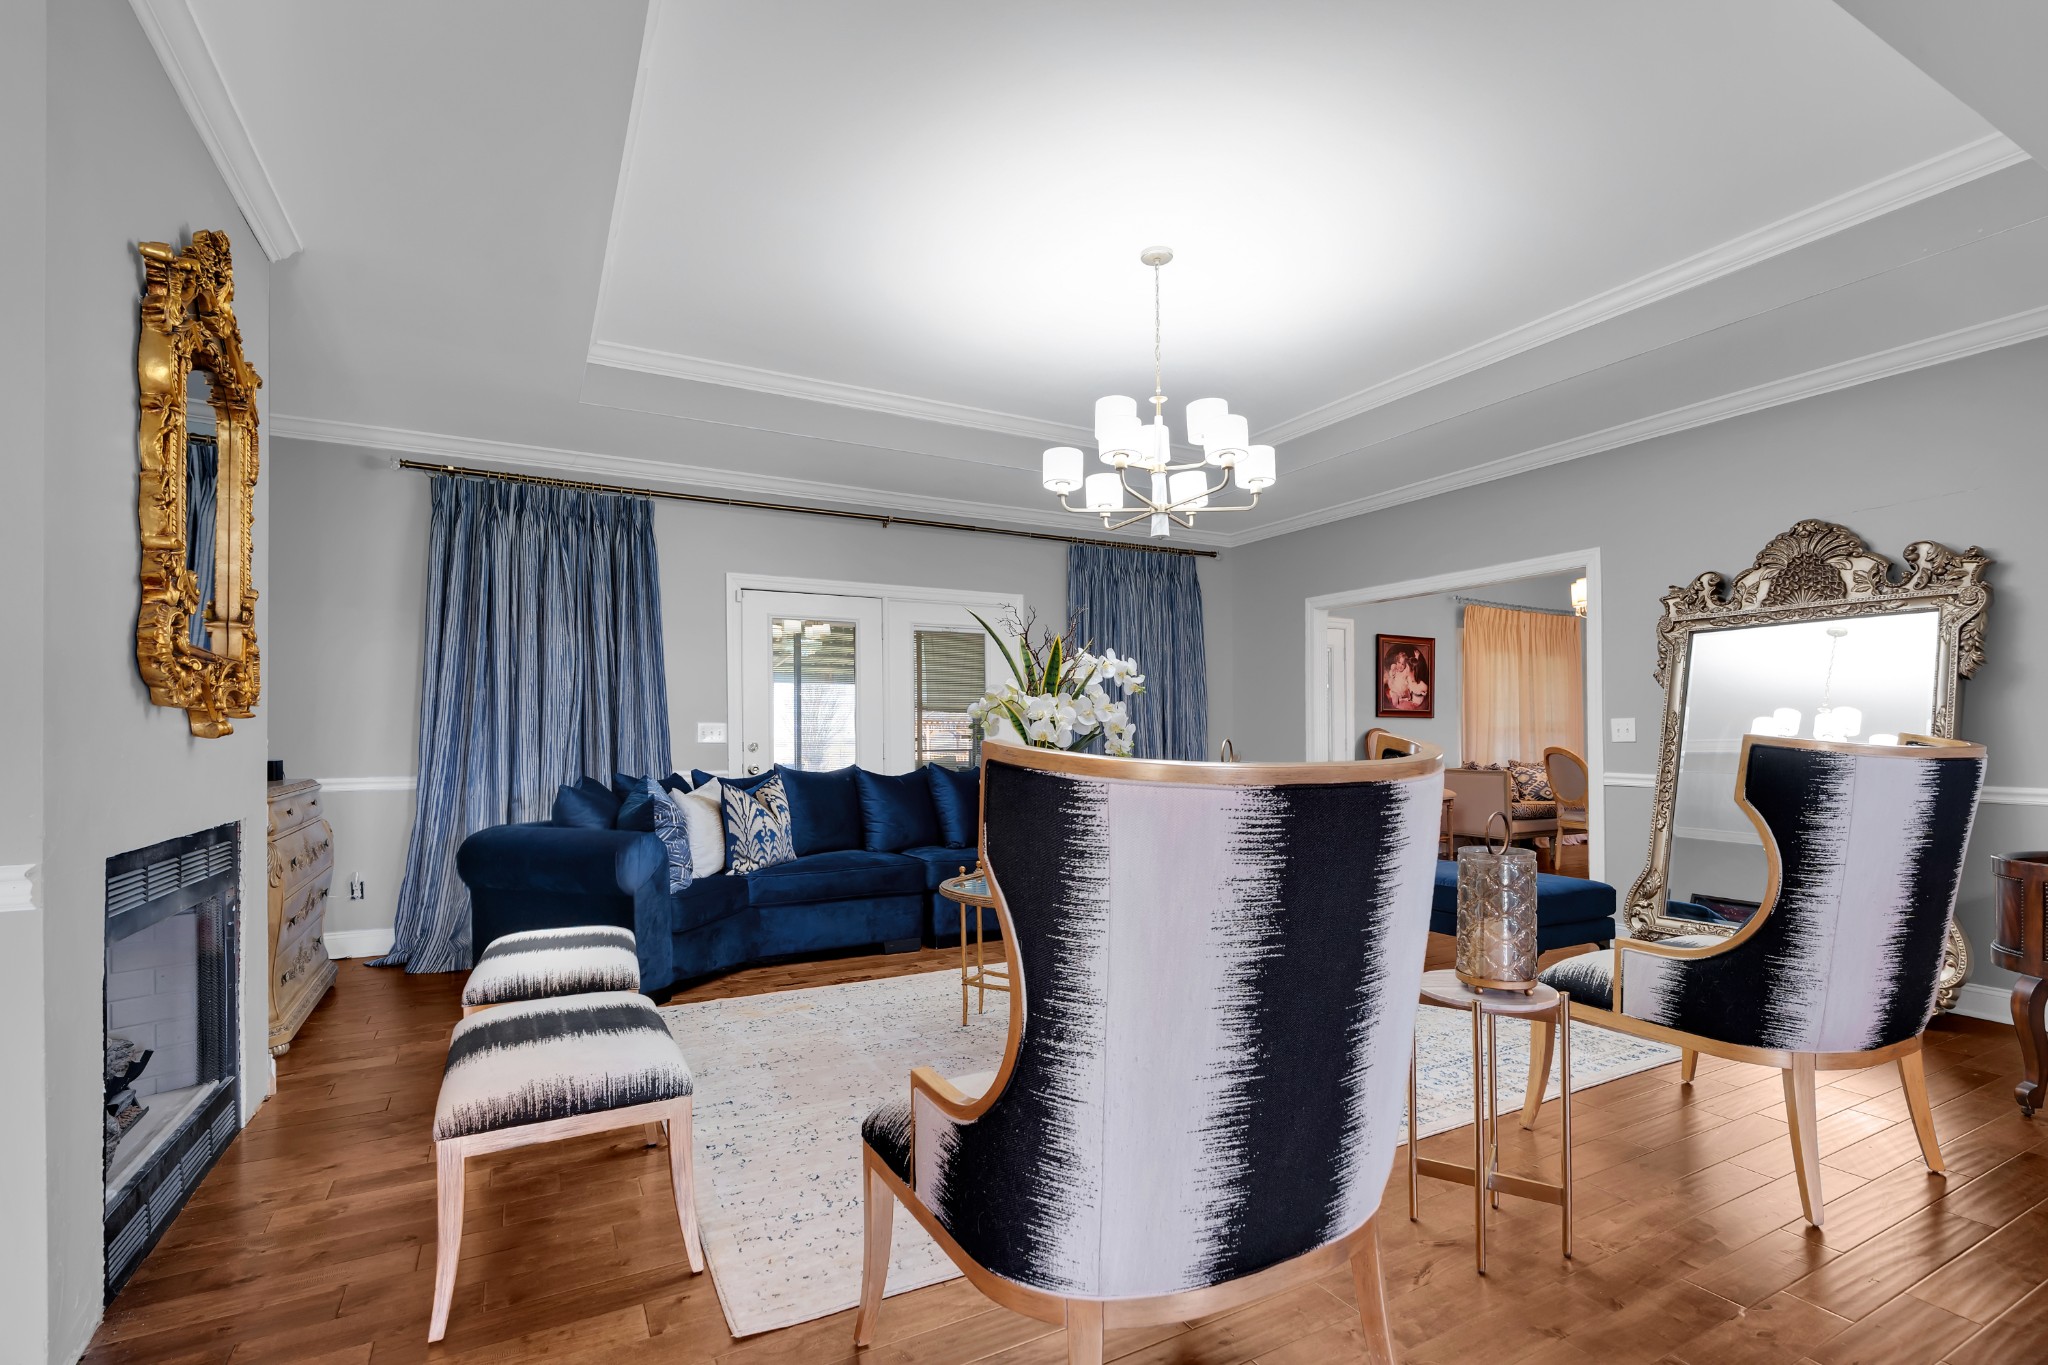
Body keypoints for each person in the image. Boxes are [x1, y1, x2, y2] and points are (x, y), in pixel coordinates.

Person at [1380, 645, 1431, 713]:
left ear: (1405, 665)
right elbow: (1391, 673)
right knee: (1394, 702)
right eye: (1399, 662)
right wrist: (1393, 670)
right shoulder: (1395, 670)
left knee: (1408, 697)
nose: (1400, 666)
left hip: (1405, 690)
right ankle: (1395, 710)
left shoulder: (1405, 671)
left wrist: (1416, 657)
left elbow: (1413, 665)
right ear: (1396, 662)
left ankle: (1406, 701)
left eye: (1403, 664)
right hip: (1396, 690)